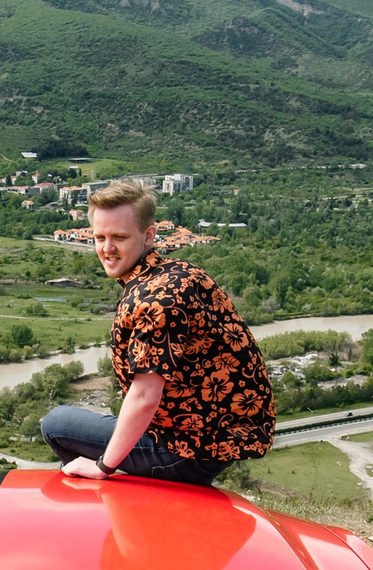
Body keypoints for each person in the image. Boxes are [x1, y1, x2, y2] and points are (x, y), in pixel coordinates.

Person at [40, 179, 274, 487]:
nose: (107, 249)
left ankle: (106, 498)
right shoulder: (177, 272)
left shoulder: (156, 301)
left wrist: (103, 466)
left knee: (56, 423)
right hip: (211, 437)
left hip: (187, 452)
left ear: (149, 236)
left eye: (119, 237)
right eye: (99, 237)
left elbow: (145, 396)